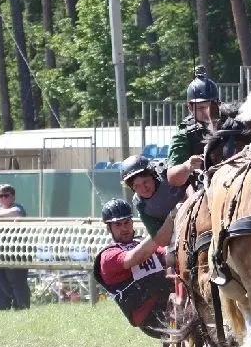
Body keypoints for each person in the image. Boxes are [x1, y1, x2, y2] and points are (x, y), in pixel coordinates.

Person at [94, 198, 177, 329]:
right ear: (109, 228)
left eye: (127, 222)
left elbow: (168, 255)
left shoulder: (140, 243)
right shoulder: (108, 255)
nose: (124, 228)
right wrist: (162, 227)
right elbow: (135, 257)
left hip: (169, 299)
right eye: (118, 225)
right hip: (148, 314)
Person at [166, 67, 220, 188]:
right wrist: (187, 166)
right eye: (201, 108)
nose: (208, 112)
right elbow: (172, 178)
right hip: (202, 188)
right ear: (190, 108)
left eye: (211, 107)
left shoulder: (232, 125)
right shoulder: (184, 134)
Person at [0, 185, 30, 310]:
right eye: (0, 196)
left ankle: (22, 308)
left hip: (16, 254)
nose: (2, 198)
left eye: (6, 195)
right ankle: (1, 308)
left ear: (13, 196)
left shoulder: (18, 207)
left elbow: (14, 212)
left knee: (17, 283)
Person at [120, 154, 186, 235]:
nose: (144, 188)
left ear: (153, 175)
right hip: (177, 233)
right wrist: (172, 215)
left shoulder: (167, 172)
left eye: (145, 182)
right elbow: (160, 239)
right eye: (137, 186)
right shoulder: (141, 204)